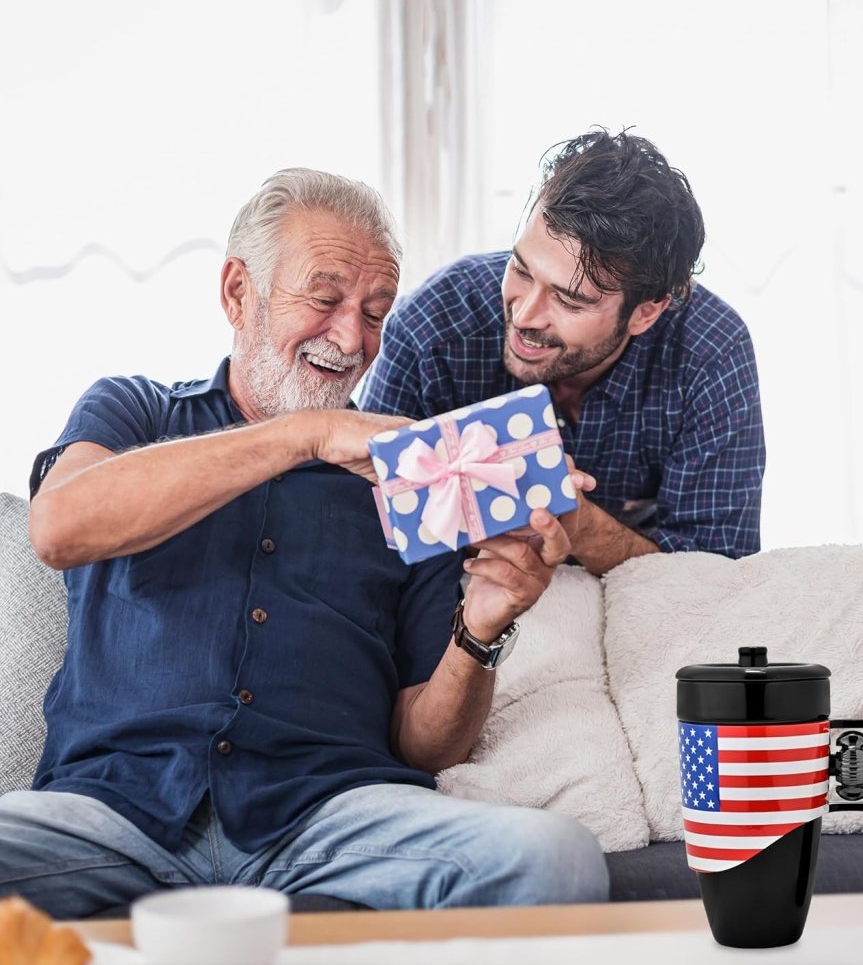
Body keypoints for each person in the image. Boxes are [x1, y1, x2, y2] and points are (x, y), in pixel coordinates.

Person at [0, 168, 608, 920]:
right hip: (112, 814)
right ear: (236, 292)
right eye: (323, 300)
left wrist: (481, 628)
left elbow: (426, 745)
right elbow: (60, 528)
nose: (352, 339)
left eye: (376, 312)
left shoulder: (407, 482)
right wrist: (306, 437)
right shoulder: (136, 411)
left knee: (555, 859)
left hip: (326, 819)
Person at [360, 129, 766, 575]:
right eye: (520, 269)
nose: (526, 315)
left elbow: (719, 573)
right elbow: (363, 530)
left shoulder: (710, 350)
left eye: (569, 300)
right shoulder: (433, 325)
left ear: (646, 313)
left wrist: (579, 523)